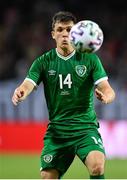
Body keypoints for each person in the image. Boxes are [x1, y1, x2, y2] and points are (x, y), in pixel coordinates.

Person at [12, 11, 115, 179]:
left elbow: (107, 88)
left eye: (69, 29)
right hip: (58, 131)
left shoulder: (90, 59)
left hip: (85, 129)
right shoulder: (43, 62)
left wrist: (106, 97)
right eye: (60, 30)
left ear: (75, 33)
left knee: (97, 165)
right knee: (47, 176)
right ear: (53, 34)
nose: (64, 34)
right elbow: (28, 84)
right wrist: (21, 91)